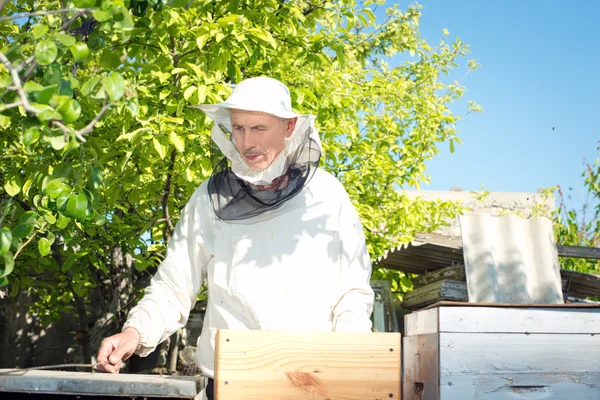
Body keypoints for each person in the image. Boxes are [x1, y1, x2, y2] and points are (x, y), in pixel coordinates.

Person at [96, 77, 374, 399]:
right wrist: (135, 332)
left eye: (258, 128)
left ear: (289, 126)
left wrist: (350, 368)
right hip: (228, 385)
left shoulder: (326, 196)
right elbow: (174, 285)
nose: (246, 142)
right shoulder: (209, 199)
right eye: (239, 129)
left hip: (311, 384)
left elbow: (352, 292)